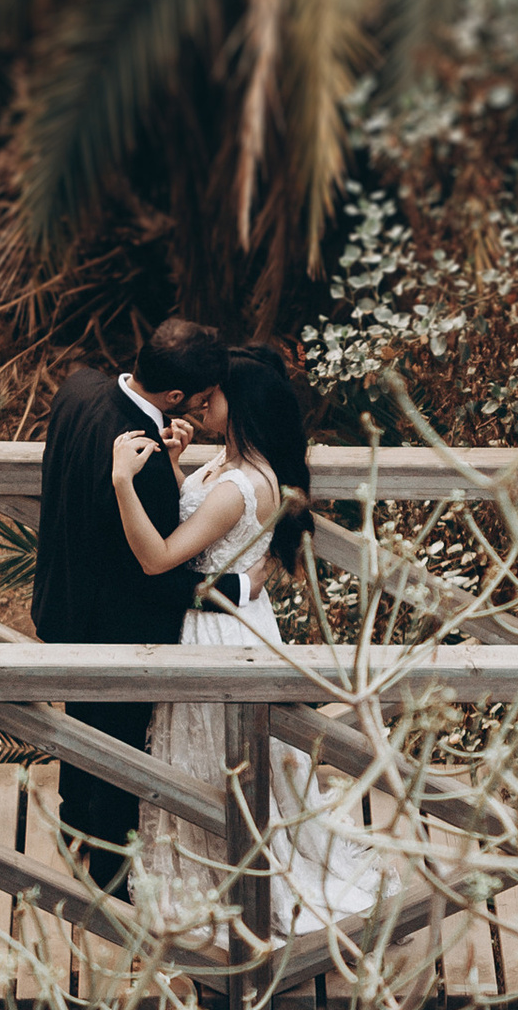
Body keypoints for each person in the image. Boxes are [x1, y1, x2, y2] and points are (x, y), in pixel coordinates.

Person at [106, 350, 387, 935]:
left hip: (218, 632)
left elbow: (159, 558)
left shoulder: (239, 485)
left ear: (243, 407)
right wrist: (181, 468)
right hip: (240, 612)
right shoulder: (235, 468)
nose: (204, 402)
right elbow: (208, 530)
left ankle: (238, 887)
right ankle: (231, 869)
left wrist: (122, 483)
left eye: (215, 397)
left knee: (219, 762)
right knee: (217, 759)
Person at [28, 322, 231, 890]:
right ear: (174, 399)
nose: (207, 402)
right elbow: (156, 569)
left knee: (80, 734)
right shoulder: (137, 458)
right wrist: (234, 590)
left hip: (63, 600)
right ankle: (111, 889)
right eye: (201, 395)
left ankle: (72, 835)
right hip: (119, 625)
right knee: (116, 759)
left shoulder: (80, 387)